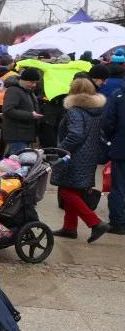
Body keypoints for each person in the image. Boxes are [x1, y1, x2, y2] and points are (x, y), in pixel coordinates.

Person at [52, 78, 109, 242]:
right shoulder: (97, 111)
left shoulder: (75, 111)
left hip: (74, 156)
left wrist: (61, 149)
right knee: (74, 190)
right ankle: (69, 228)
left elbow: (75, 134)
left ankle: (95, 222)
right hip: (90, 155)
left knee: (66, 191)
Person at [100, 75, 125, 235]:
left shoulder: (118, 95)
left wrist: (111, 139)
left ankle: (118, 223)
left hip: (121, 147)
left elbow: (107, 122)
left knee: (119, 186)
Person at [0, 67, 43, 156]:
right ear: (23, 80)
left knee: (13, 164)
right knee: (16, 166)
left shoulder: (27, 91)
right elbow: (8, 110)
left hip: (23, 135)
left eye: (35, 82)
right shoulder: (14, 90)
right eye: (32, 82)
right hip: (17, 136)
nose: (34, 85)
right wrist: (31, 115)